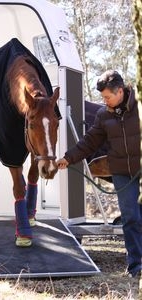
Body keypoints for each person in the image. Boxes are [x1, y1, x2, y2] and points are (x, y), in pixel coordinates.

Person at [57, 70, 141, 278]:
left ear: (120, 91)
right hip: (122, 173)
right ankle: (137, 266)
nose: (105, 101)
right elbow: (90, 141)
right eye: (103, 97)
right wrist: (68, 158)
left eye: (107, 97)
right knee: (131, 218)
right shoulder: (104, 115)